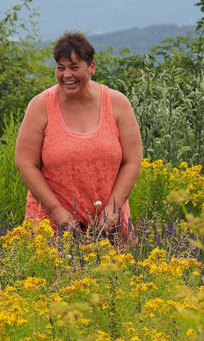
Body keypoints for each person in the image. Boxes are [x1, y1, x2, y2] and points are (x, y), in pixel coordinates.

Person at [14, 31, 142, 238]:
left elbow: (132, 161)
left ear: (91, 67)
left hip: (110, 224)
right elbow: (25, 163)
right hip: (50, 225)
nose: (67, 75)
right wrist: (57, 212)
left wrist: (113, 209)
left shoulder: (118, 104)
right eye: (60, 68)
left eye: (74, 67)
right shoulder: (40, 106)